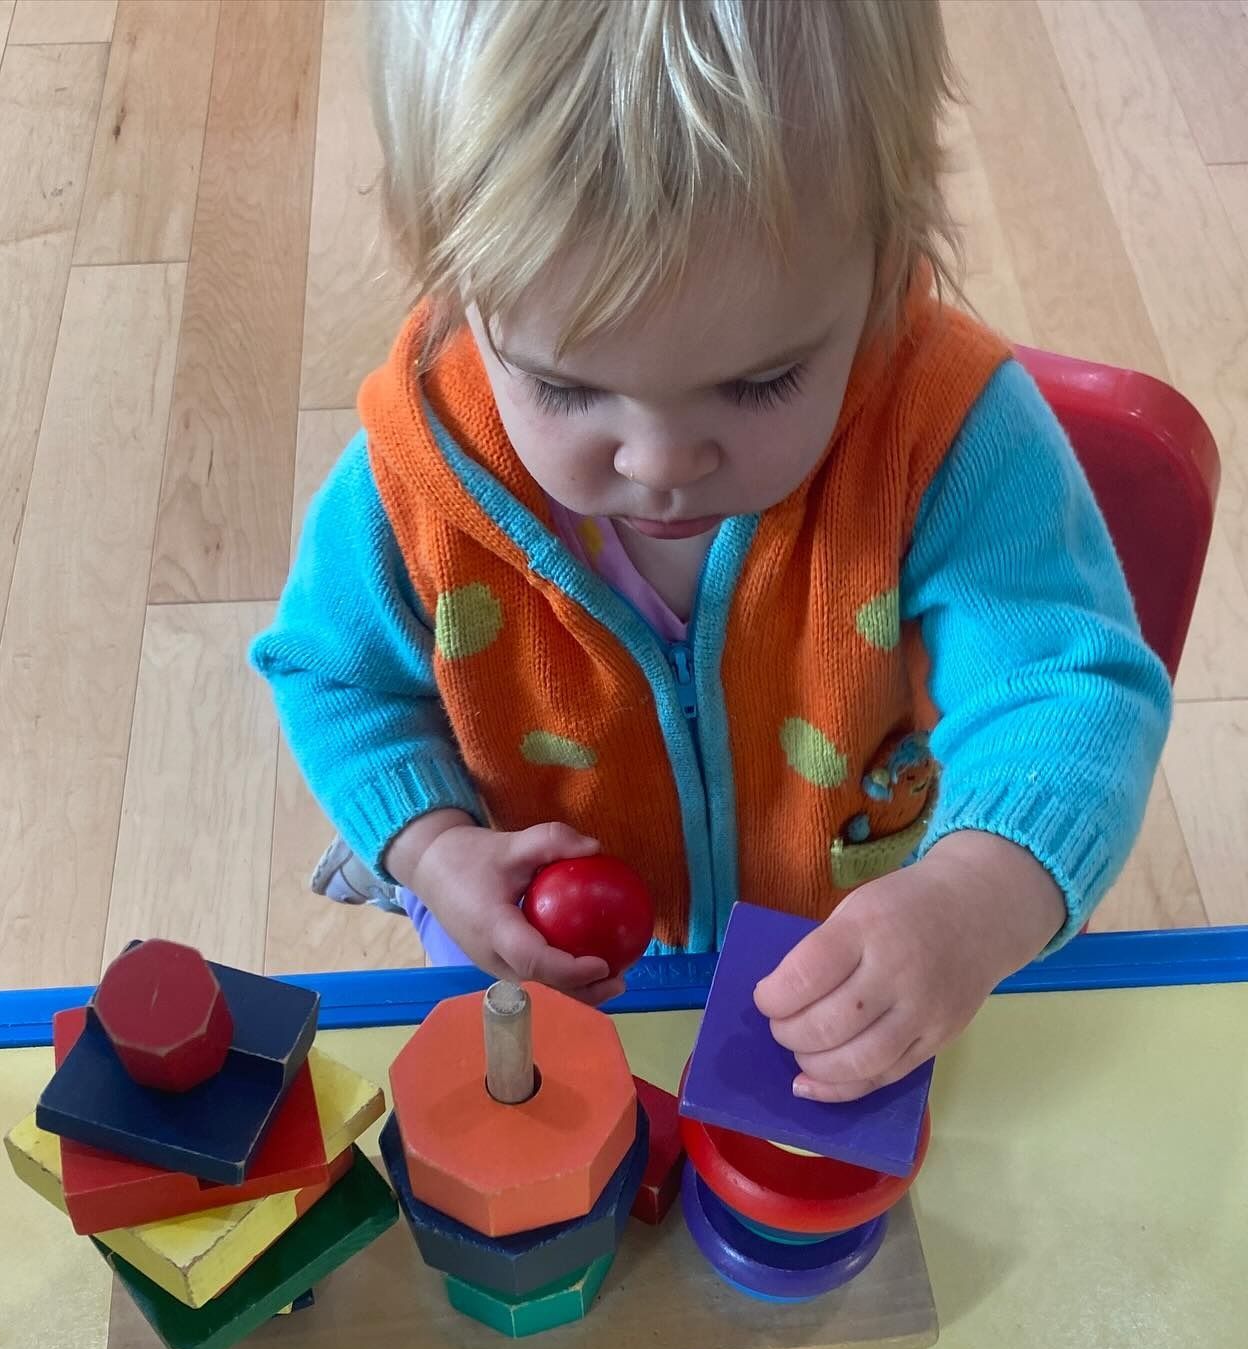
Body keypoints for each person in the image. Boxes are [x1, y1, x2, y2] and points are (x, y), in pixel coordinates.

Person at [251, 0, 1170, 1102]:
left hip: (851, 961)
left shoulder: (944, 436)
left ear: (888, 268)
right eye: (566, 387)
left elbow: (1068, 688)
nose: (660, 461)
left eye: (759, 380)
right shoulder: (423, 480)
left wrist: (975, 899)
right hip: (541, 964)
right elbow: (332, 673)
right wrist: (430, 846)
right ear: (451, 286)